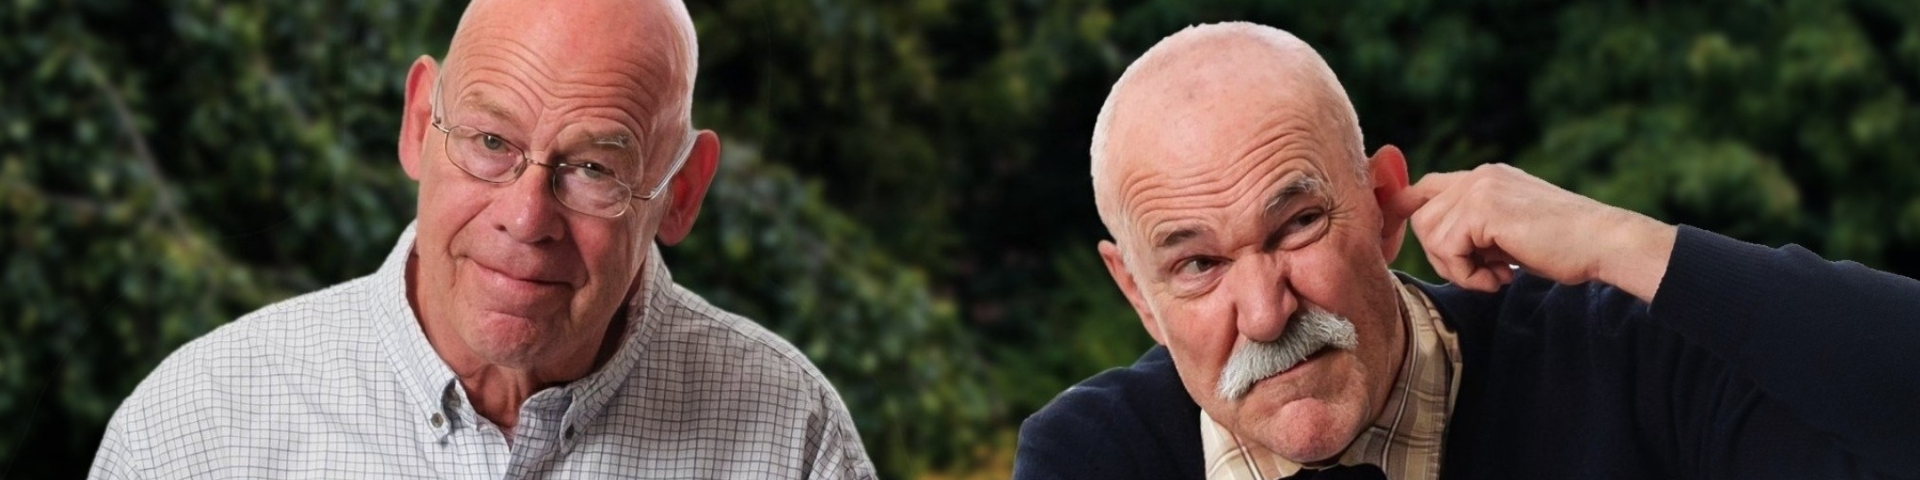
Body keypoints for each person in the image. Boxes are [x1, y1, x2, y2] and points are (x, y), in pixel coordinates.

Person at [1015, 22, 1920, 480]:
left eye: (1296, 226)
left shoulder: (1622, 364)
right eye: (1197, 266)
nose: (1264, 312)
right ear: (1135, 291)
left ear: (1379, 205)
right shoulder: (1095, 457)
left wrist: (1627, 242)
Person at [88, 1, 874, 478]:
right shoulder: (198, 427)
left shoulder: (789, 436)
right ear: (416, 120)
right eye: (492, 143)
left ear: (682, 192)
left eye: (594, 167)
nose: (526, 218)